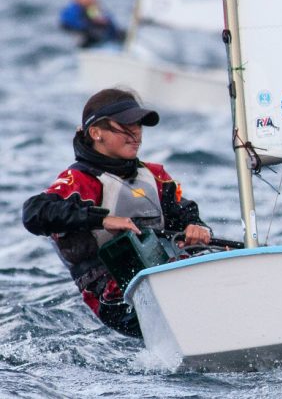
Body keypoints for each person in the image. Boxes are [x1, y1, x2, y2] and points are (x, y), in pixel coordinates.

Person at [22, 88, 213, 338]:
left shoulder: (155, 176)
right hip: (114, 297)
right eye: (125, 127)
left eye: (139, 126)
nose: (136, 135)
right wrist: (102, 219)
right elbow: (34, 212)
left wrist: (196, 227)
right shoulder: (79, 181)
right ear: (96, 133)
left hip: (163, 280)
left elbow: (184, 213)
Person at [59, 0, 126, 48]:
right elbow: (72, 24)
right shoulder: (71, 11)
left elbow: (111, 28)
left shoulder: (93, 11)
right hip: (86, 47)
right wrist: (92, 22)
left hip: (106, 45)